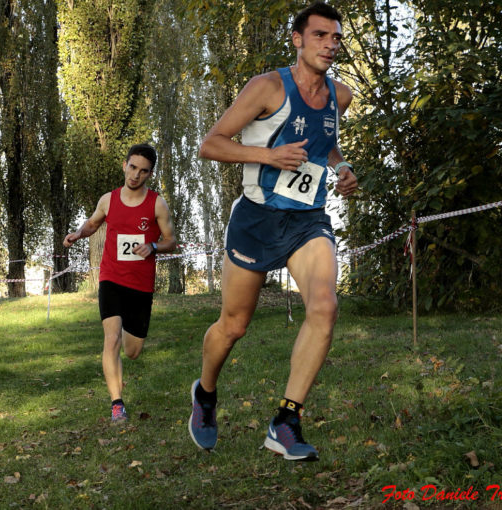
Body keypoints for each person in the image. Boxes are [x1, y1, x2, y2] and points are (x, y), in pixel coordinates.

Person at [188, 2, 358, 460]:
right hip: (257, 220)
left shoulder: (339, 96)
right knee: (234, 325)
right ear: (298, 39)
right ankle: (205, 394)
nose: (330, 44)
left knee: (324, 306)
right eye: (320, 35)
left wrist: (342, 168)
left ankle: (286, 421)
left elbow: (329, 146)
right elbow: (211, 144)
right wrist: (268, 157)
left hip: (308, 220)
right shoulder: (267, 87)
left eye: (336, 37)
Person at [64, 143, 177, 423]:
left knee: (132, 351)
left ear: (150, 174)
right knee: (111, 339)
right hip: (111, 278)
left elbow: (171, 241)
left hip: (140, 284)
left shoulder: (156, 203)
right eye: (133, 167)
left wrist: (153, 245)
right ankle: (117, 404)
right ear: (124, 165)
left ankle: (129, 345)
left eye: (143, 171)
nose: (136, 175)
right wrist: (79, 234)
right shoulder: (108, 200)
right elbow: (92, 224)